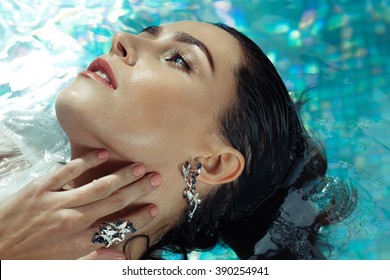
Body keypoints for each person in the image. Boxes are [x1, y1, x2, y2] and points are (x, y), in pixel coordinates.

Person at [0, 21, 351, 260]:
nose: (121, 37)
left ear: (214, 163)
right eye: (146, 33)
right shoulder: (12, 154)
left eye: (178, 59)